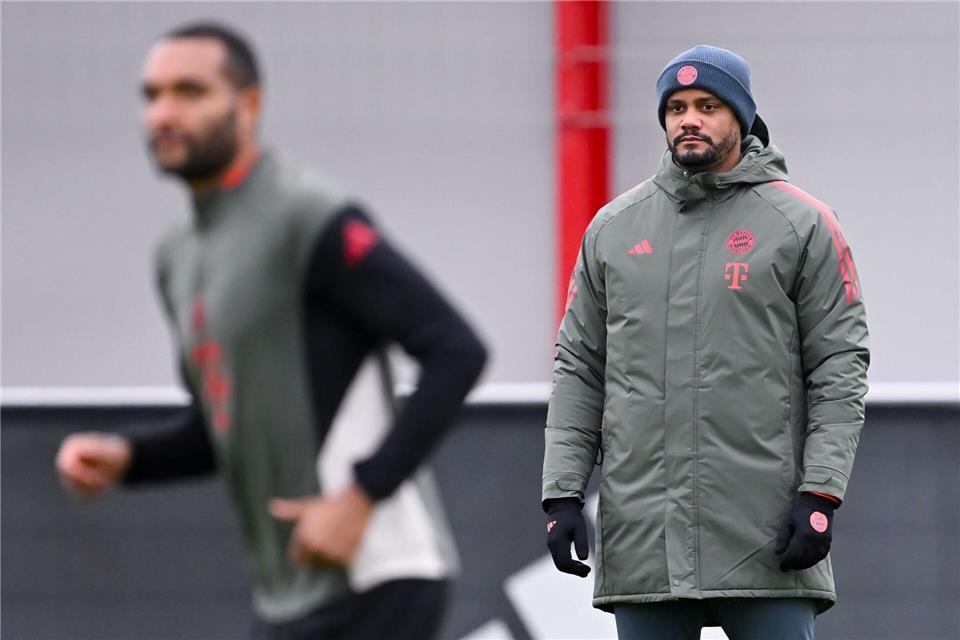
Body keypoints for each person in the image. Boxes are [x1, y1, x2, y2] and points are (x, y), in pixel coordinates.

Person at [55, 22, 487, 640]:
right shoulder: (176, 254)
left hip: (378, 576)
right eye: (151, 95)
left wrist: (360, 497)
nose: (164, 113)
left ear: (249, 103)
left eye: (189, 91)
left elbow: (456, 349)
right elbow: (224, 429)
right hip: (288, 595)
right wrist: (127, 458)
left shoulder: (304, 214)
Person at [541, 44, 868, 640]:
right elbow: (579, 369)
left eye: (708, 106)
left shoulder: (802, 223)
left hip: (768, 538)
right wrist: (561, 495)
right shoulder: (613, 229)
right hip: (645, 542)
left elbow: (839, 368)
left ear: (741, 117)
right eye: (677, 107)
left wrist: (821, 494)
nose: (689, 119)